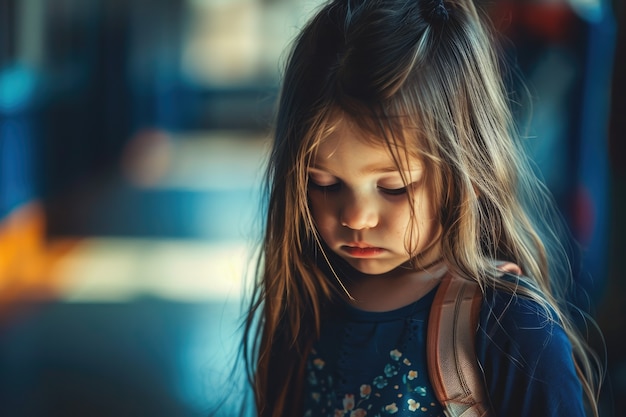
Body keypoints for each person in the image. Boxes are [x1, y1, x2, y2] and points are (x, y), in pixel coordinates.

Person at [241, 0, 605, 416]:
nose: (356, 217)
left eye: (394, 187)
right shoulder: (308, 300)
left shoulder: (511, 327)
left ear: (465, 168)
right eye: (324, 183)